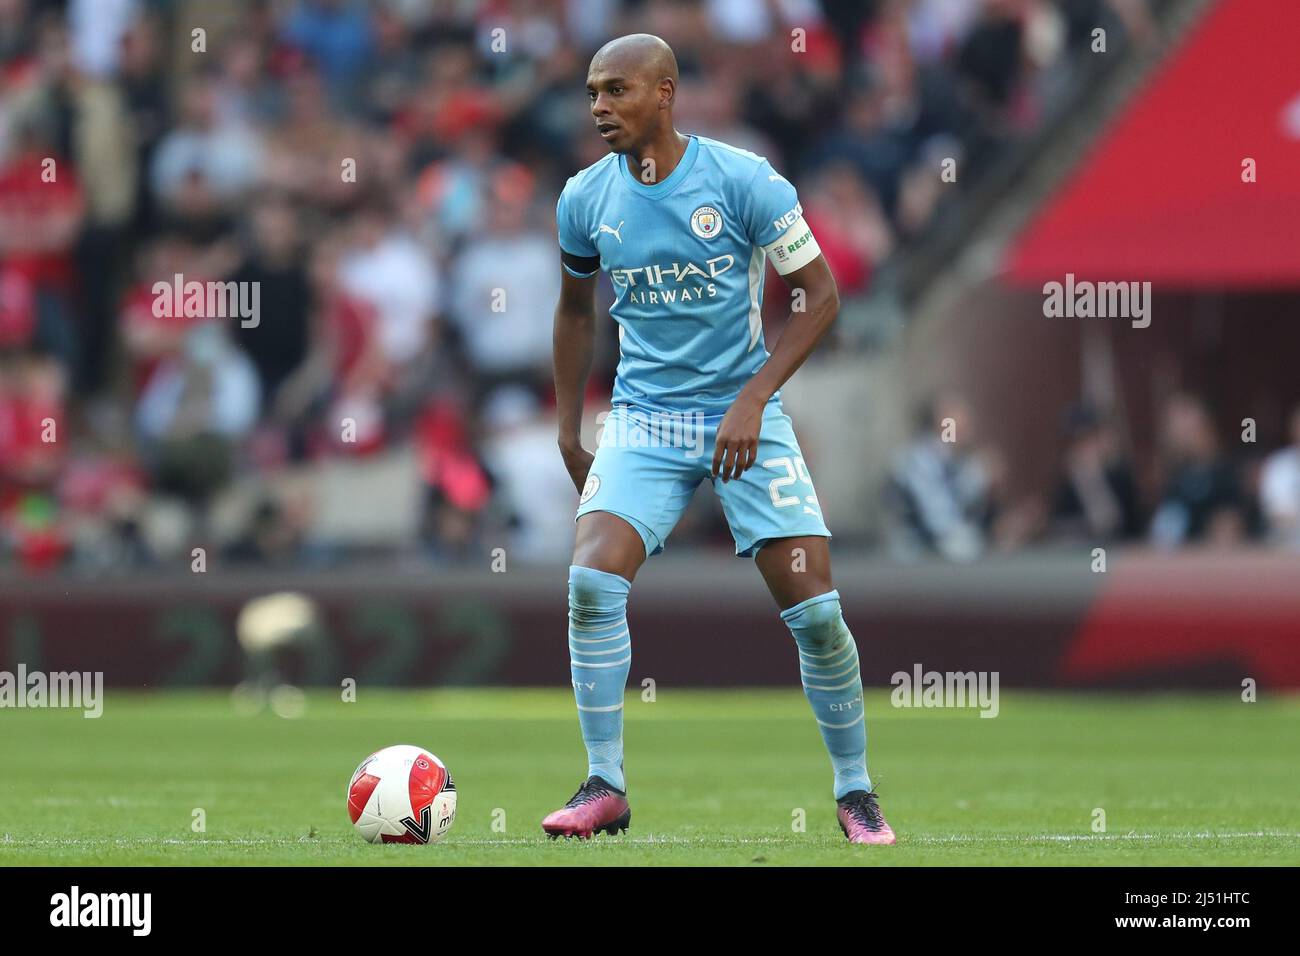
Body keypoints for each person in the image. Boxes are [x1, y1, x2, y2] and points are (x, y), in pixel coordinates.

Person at [546, 34, 894, 845]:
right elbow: (572, 312)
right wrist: (569, 428)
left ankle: (856, 790)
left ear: (665, 93)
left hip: (746, 415)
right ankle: (606, 785)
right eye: (593, 92)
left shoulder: (744, 181)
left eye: (617, 91)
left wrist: (755, 397)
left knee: (814, 610)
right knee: (591, 582)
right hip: (644, 419)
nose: (600, 107)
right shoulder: (583, 198)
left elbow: (819, 295)